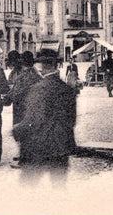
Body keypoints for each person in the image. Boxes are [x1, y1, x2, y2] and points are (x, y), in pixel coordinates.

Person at [11, 53, 76, 185]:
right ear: (56, 65)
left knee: (28, 187)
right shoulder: (67, 90)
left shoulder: (38, 89)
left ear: (43, 66)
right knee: (58, 187)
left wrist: (17, 130)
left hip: (39, 147)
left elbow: (33, 119)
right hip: (61, 147)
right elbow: (72, 120)